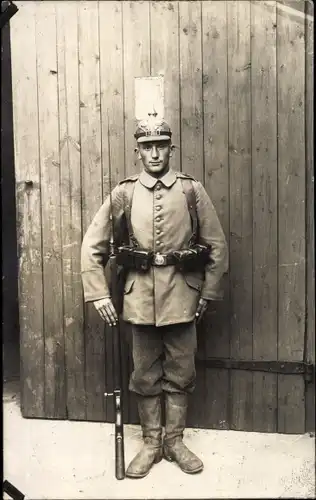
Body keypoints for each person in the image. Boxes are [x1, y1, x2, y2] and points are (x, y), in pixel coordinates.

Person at [81, 117, 228, 478]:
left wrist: (208, 290)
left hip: (183, 296)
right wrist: (98, 293)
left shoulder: (191, 190)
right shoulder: (124, 193)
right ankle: (150, 443)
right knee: (144, 374)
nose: (155, 152)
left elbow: (217, 245)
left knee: (181, 371)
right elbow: (92, 246)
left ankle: (174, 442)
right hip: (140, 300)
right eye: (148, 146)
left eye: (161, 145)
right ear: (138, 152)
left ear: (171, 149)